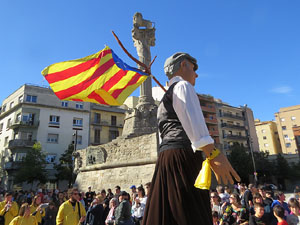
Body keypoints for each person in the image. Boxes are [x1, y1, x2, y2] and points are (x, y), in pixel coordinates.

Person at [141, 52, 240, 225]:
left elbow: (162, 134)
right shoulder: (183, 86)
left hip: (166, 159)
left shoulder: (164, 100)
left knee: (169, 212)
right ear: (183, 65)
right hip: (183, 155)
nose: (196, 74)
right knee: (189, 212)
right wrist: (214, 154)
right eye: (193, 69)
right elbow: (195, 123)